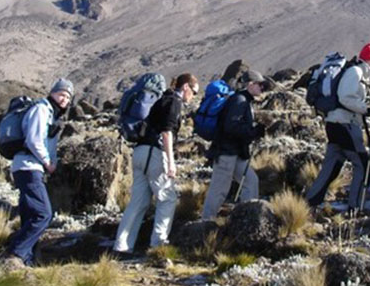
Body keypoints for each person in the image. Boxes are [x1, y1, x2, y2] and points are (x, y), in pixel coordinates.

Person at [113, 73, 199, 257]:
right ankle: (158, 244)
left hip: (139, 152)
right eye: (194, 91)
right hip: (156, 154)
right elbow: (166, 133)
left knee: (138, 201)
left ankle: (122, 246)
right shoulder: (174, 103)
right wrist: (170, 162)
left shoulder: (161, 100)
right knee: (167, 198)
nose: (194, 95)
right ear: (185, 87)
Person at [305, 43, 370, 213]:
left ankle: (309, 204)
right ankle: (355, 207)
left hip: (334, 125)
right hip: (345, 125)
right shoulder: (355, 72)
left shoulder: (355, 72)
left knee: (331, 166)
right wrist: (367, 109)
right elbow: (345, 98)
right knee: (363, 165)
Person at [5, 78, 73, 268]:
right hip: (29, 166)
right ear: (52, 93)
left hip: (30, 167)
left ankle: (26, 258)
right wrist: (48, 163)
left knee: (29, 215)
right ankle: (15, 252)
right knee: (43, 214)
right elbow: (34, 140)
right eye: (61, 94)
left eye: (67, 97)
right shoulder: (41, 109)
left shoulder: (52, 114)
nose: (64, 99)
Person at [201, 70, 269, 221]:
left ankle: (248, 217)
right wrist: (253, 131)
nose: (262, 89)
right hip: (226, 152)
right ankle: (206, 222)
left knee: (251, 181)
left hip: (236, 152)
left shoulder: (243, 100)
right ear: (251, 84)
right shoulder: (239, 100)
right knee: (219, 189)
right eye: (260, 85)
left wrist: (253, 131)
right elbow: (231, 127)